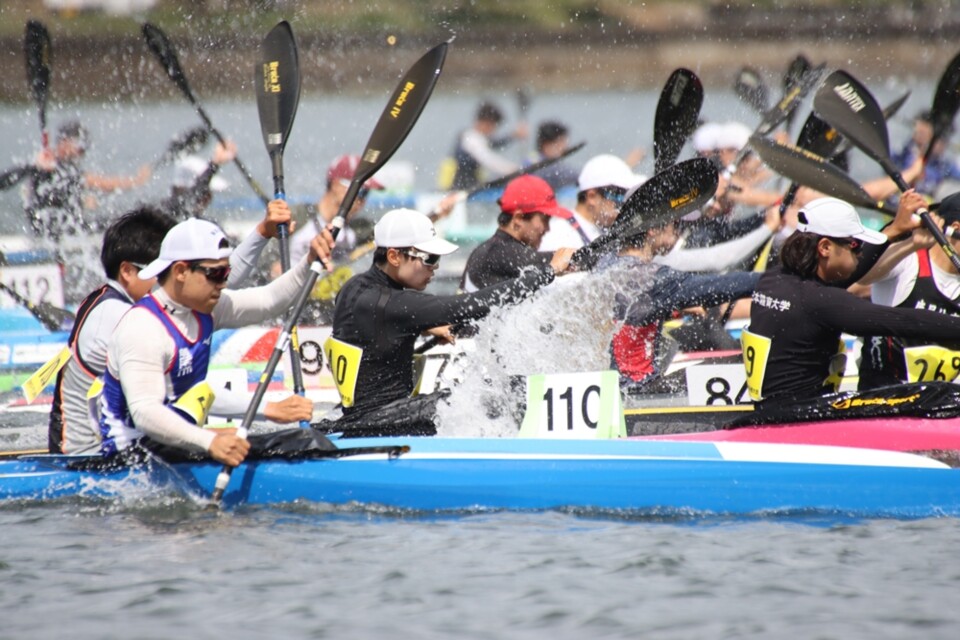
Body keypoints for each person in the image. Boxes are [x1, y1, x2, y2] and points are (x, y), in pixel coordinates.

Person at [47, 199, 303, 455]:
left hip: (137, 431)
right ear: (127, 271)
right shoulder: (125, 319)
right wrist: (215, 439)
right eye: (160, 269)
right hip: (88, 454)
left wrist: (261, 233)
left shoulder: (154, 305)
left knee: (199, 393)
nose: (165, 277)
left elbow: (212, 280)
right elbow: (148, 410)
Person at [97, 213, 336, 466]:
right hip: (131, 462)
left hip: (171, 446)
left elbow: (268, 301)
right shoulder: (143, 327)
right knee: (305, 444)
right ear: (180, 271)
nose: (223, 283)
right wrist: (210, 441)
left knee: (301, 439)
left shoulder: (203, 309)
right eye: (216, 273)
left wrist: (310, 261)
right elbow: (146, 413)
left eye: (227, 272)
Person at [324, 208, 574, 435]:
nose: (435, 267)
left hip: (362, 417)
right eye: (429, 258)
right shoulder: (394, 304)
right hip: (381, 424)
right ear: (394, 256)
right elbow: (468, 305)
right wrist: (548, 273)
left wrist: (421, 323)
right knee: (491, 397)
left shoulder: (354, 288)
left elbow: (369, 326)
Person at [744, 196, 960, 405]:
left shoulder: (774, 278)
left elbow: (853, 269)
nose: (860, 254)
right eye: (856, 245)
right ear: (825, 247)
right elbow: (903, 321)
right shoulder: (821, 302)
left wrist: (895, 230)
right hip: (798, 419)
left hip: (771, 411)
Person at [596, 216, 760, 394]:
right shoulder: (653, 278)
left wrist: (673, 308)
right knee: (738, 363)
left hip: (612, 388)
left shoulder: (608, 263)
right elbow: (716, 287)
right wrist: (771, 279)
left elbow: (631, 311)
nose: (677, 228)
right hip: (636, 392)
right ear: (653, 229)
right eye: (673, 222)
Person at [856, 190, 960, 389]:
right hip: (880, 402)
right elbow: (861, 275)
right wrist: (910, 244)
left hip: (935, 410)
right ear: (956, 228)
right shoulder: (908, 262)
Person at [22, 121, 151, 240]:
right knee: (122, 222)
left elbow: (65, 194)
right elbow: (100, 183)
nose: (82, 153)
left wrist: (83, 200)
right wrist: (137, 180)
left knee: (117, 216)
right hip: (51, 230)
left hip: (58, 226)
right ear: (65, 142)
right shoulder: (46, 165)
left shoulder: (62, 166)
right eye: (80, 147)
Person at [460, 175, 572, 292]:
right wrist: (586, 256)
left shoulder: (496, 250)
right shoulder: (497, 253)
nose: (547, 228)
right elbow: (548, 261)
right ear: (518, 218)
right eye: (544, 220)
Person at [289, 154, 384, 265]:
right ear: (336, 184)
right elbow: (267, 263)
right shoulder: (297, 216)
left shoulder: (359, 229)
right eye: (362, 192)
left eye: (366, 194)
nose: (363, 201)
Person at [538, 154, 644, 251]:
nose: (624, 206)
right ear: (592, 197)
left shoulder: (602, 230)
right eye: (620, 197)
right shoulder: (560, 234)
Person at [444, 101, 527, 190]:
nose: (494, 131)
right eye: (494, 126)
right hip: (456, 188)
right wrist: (515, 170)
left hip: (470, 185)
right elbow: (488, 159)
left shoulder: (478, 138)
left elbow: (496, 143)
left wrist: (514, 135)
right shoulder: (470, 139)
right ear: (485, 123)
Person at [892, 110, 960, 198]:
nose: (944, 143)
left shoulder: (944, 166)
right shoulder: (903, 155)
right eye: (941, 138)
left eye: (946, 138)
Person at [162, 140, 236, 219]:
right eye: (206, 195)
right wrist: (215, 164)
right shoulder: (167, 211)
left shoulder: (164, 212)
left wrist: (215, 164)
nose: (207, 201)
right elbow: (191, 197)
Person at [528, 121, 579, 190]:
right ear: (546, 145)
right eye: (561, 142)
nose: (565, 147)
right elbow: (575, 177)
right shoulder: (549, 168)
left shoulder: (531, 158)